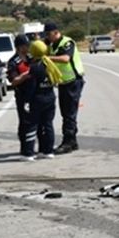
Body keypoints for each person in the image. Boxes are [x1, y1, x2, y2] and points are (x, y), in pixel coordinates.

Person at [43, 22, 85, 153]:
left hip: (73, 81)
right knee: (66, 113)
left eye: (49, 35)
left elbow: (66, 58)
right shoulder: (52, 44)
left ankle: (68, 142)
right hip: (64, 82)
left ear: (56, 32)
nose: (48, 37)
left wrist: (48, 58)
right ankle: (72, 141)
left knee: (69, 113)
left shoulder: (67, 42)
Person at [19, 39, 57, 159]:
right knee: (48, 124)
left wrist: (26, 100)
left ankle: (29, 153)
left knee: (32, 125)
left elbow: (32, 86)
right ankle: (48, 150)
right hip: (50, 96)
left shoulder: (35, 67)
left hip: (37, 99)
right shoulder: (49, 64)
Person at [7, 35, 33, 159]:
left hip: (34, 94)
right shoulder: (13, 62)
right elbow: (13, 81)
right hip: (22, 95)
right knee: (25, 122)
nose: (27, 48)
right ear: (19, 47)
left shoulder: (31, 58)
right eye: (25, 46)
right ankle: (25, 146)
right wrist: (25, 76)